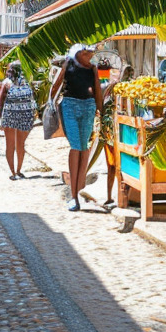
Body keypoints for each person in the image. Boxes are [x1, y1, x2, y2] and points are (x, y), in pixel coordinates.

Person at [50, 44, 103, 211]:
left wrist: (100, 110)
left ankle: (79, 190)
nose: (90, 54)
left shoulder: (93, 69)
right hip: (70, 106)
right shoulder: (68, 65)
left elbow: (97, 90)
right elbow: (55, 87)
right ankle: (74, 195)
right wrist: (52, 107)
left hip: (88, 106)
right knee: (76, 147)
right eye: (86, 52)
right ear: (78, 53)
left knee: (84, 148)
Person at [95, 64, 133, 207]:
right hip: (116, 132)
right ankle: (114, 196)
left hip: (110, 132)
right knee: (116, 166)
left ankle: (113, 196)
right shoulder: (118, 89)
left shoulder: (111, 88)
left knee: (113, 166)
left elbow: (100, 108)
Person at [0, 62, 36, 180]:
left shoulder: (6, 83)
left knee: (10, 145)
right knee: (20, 144)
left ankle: (13, 173)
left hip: (10, 116)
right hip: (25, 115)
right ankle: (19, 170)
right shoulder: (27, 82)